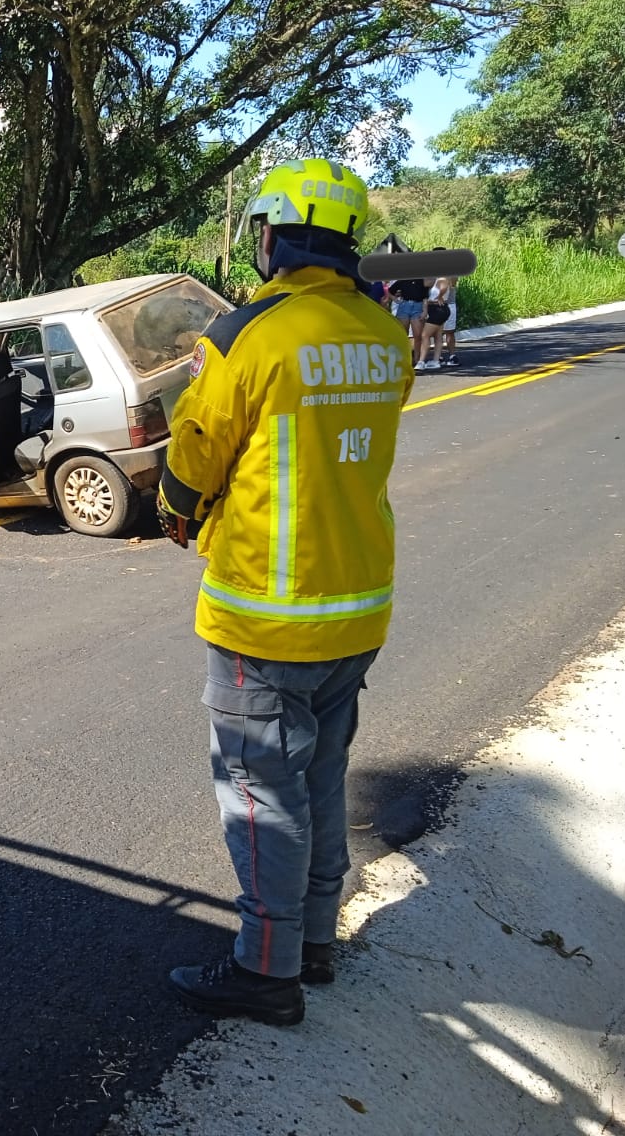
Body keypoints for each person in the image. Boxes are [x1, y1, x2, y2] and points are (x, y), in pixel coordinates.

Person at [154, 157, 413, 1026]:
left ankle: (267, 973)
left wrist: (177, 506)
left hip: (266, 614)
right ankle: (315, 943)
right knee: (323, 778)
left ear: (272, 235)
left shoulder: (248, 334)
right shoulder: (383, 334)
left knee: (262, 795)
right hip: (357, 604)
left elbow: (196, 451)